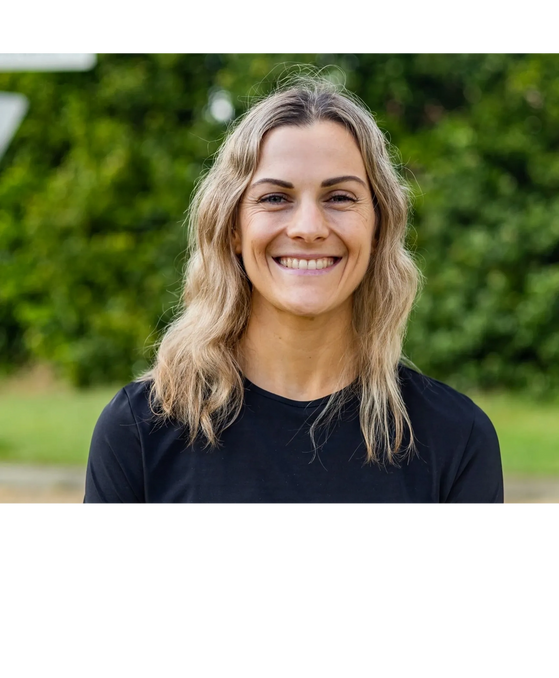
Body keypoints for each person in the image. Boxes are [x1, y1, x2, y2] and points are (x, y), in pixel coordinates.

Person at [84, 78, 503, 507]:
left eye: (339, 197)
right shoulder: (141, 430)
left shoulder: (454, 438)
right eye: (275, 198)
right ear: (232, 228)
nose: (308, 228)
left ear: (378, 228)